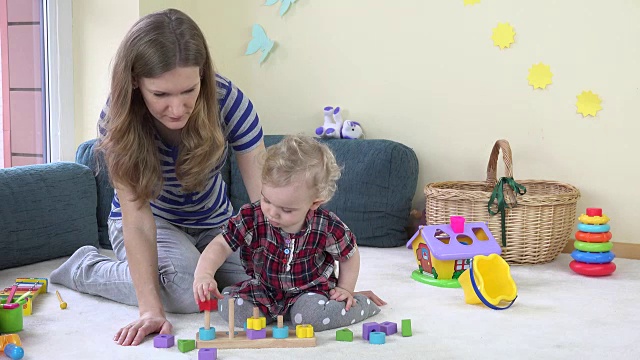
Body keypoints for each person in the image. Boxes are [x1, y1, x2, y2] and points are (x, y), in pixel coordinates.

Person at [50, 8, 265, 346]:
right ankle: (85, 268)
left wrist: (307, 275)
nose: (177, 109)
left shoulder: (230, 102)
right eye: (161, 95)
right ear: (136, 81)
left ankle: (192, 265)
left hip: (215, 224)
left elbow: (265, 203)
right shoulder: (117, 119)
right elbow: (136, 219)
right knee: (185, 292)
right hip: (150, 222)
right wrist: (150, 310)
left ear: (203, 77)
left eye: (188, 91)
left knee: (267, 284)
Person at [193, 135, 384, 332]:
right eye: (266, 200)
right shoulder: (252, 217)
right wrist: (204, 274)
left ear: (314, 203)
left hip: (309, 292)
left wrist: (345, 289)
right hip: (264, 289)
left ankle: (362, 304)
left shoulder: (326, 225)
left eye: (286, 209)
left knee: (311, 318)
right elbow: (221, 244)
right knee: (232, 307)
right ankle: (270, 312)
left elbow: (349, 254)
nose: (272, 213)